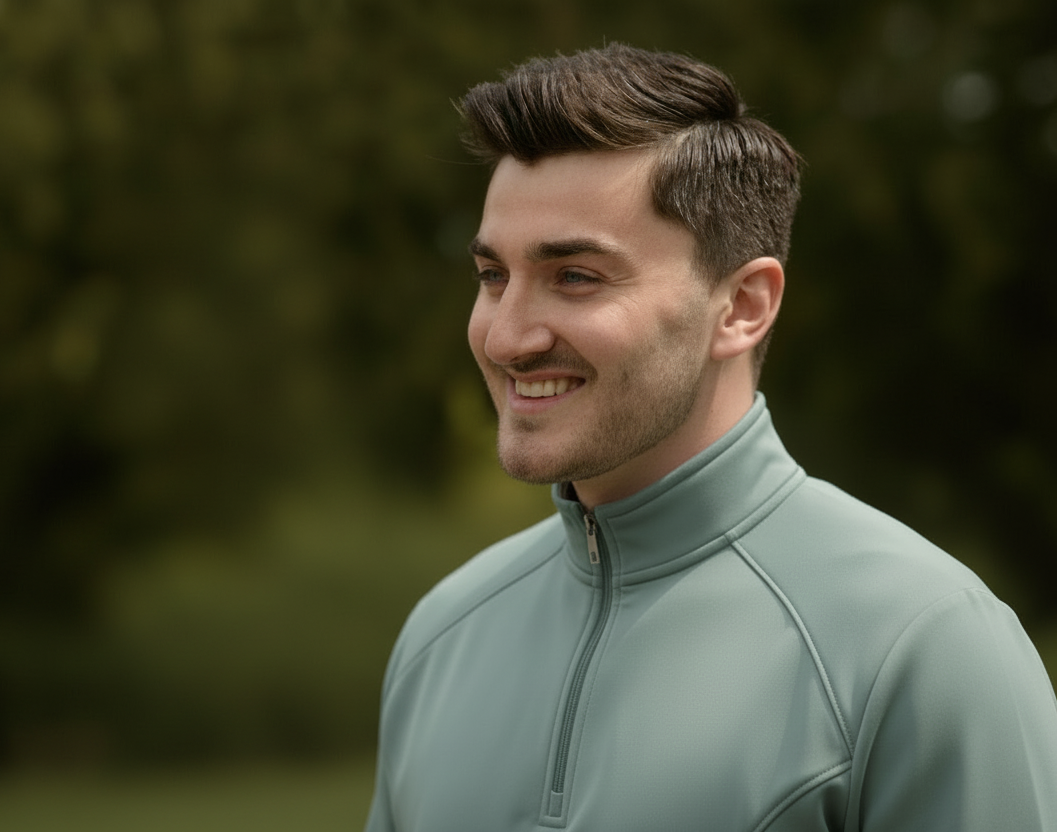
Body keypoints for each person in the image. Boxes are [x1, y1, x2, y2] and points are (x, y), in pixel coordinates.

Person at [363, 44, 1057, 831]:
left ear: (743, 306)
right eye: (494, 277)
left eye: (576, 277)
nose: (506, 337)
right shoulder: (441, 639)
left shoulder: (925, 646)